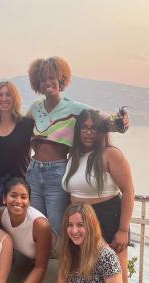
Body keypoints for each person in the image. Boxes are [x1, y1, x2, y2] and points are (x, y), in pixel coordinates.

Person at [62, 109, 149, 283]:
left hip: (107, 221)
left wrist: (123, 229)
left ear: (102, 131)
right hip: (79, 224)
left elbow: (129, 191)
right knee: (83, 279)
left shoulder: (111, 154)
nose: (88, 132)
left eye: (94, 128)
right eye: (84, 127)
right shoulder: (73, 157)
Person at [25, 56, 129, 235]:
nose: (47, 82)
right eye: (43, 79)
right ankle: (41, 262)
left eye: (52, 77)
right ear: (37, 82)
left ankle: (59, 262)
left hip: (57, 171)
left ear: (61, 79)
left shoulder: (73, 108)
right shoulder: (35, 108)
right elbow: (19, 128)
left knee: (57, 226)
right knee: (37, 223)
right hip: (33, 171)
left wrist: (122, 122)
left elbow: (101, 119)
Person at [0, 81, 34, 208]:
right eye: (0, 95)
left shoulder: (27, 124)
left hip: (18, 186)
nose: (4, 98)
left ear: (15, 98)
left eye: (8, 95)